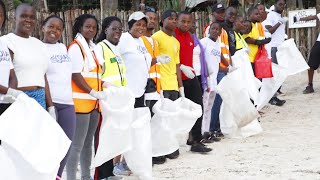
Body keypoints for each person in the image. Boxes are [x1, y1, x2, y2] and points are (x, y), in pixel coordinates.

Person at [66, 14, 105, 180]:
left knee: (88, 144)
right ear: (80, 28)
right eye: (87, 26)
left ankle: (85, 177)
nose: (91, 30)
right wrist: (92, 92)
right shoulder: (76, 47)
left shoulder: (92, 48)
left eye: (94, 27)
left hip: (94, 103)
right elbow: (75, 75)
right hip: (81, 103)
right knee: (77, 145)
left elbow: (95, 74)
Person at [1, 3, 55, 117]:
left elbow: (43, 76)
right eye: (24, 16)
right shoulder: (7, 41)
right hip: (18, 96)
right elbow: (7, 75)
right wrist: (13, 98)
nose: (28, 20)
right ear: (15, 18)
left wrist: (50, 106)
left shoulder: (39, 44)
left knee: (37, 134)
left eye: (32, 17)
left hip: (40, 97)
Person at [41, 15, 76, 180]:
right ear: (43, 27)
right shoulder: (39, 48)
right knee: (48, 144)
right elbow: (42, 78)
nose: (54, 31)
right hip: (51, 102)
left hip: (68, 103)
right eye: (51, 27)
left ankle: (57, 176)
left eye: (58, 29)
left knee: (66, 144)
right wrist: (50, 106)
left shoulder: (63, 48)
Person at [94, 16, 129, 179]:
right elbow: (97, 74)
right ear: (105, 30)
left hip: (118, 100)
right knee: (104, 138)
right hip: (106, 100)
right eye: (114, 29)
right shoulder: (100, 48)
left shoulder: (116, 49)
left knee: (113, 136)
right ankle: (102, 175)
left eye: (119, 29)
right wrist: (108, 86)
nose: (117, 32)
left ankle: (110, 172)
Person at [174, 11, 212, 153]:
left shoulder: (191, 36)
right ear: (177, 21)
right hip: (177, 78)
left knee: (198, 108)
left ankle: (195, 140)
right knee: (180, 111)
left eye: (188, 22)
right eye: (183, 21)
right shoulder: (173, 35)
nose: (186, 24)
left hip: (191, 77)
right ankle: (176, 143)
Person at [141, 9, 171, 165]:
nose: (152, 21)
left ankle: (154, 151)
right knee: (147, 123)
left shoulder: (153, 41)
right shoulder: (139, 40)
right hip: (147, 87)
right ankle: (147, 155)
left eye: (154, 18)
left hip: (157, 87)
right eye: (149, 18)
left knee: (156, 122)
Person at [152, 10, 183, 159]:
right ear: (162, 21)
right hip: (162, 84)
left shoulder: (176, 42)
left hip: (173, 84)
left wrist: (180, 86)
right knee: (160, 119)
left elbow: (177, 65)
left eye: (175, 19)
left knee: (171, 118)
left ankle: (169, 147)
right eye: (170, 19)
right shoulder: (156, 37)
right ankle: (158, 150)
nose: (174, 21)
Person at [118, 11, 152, 108]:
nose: (141, 27)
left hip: (140, 90)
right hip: (127, 91)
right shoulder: (123, 38)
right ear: (131, 25)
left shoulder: (141, 40)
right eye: (138, 24)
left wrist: (158, 59)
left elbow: (143, 63)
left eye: (144, 25)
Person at [200, 22, 223, 142]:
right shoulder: (203, 42)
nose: (215, 31)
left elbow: (217, 63)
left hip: (214, 81)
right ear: (209, 30)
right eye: (213, 28)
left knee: (209, 107)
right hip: (206, 80)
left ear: (220, 32)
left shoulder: (217, 45)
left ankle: (207, 131)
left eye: (217, 29)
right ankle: (201, 133)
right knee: (204, 107)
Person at [0, 0, 22, 117]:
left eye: (0, 15)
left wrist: (10, 94)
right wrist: (10, 91)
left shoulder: (3, 44)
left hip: (5, 103)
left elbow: (12, 75)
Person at [264, 0, 287, 106]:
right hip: (273, 47)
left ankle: (274, 95)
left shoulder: (278, 15)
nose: (282, 6)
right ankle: (272, 98)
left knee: (278, 73)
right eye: (280, 4)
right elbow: (270, 30)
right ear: (275, 5)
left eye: (283, 4)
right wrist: (280, 22)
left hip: (280, 46)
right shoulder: (271, 15)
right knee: (273, 73)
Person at [243, 7, 271, 72]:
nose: (259, 15)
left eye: (259, 14)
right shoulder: (248, 24)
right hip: (249, 59)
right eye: (256, 14)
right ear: (250, 15)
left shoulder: (255, 25)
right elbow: (247, 39)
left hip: (256, 58)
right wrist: (262, 42)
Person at [298, 13, 320, 93]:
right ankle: (310, 85)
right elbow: (311, 17)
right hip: (319, 42)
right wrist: (300, 19)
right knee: (311, 64)